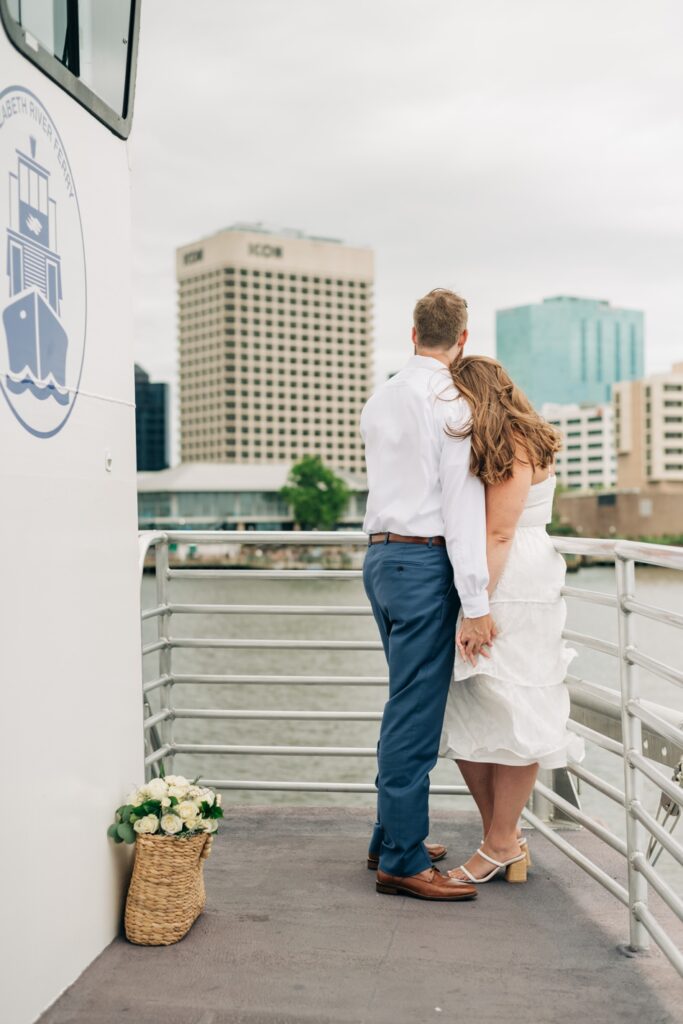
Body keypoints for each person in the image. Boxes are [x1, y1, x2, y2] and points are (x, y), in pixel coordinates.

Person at [360, 288, 494, 902]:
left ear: (413, 333)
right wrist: (478, 603)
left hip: (381, 559)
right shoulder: (452, 403)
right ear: (461, 341)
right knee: (415, 714)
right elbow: (462, 512)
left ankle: (391, 835)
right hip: (422, 563)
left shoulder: (381, 395)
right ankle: (403, 860)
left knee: (402, 702)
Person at [439, 356, 585, 884]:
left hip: (509, 581)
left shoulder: (514, 445)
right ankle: (503, 839)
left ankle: (500, 841)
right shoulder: (514, 437)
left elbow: (499, 534)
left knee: (516, 699)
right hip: (504, 572)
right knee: (471, 703)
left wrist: (477, 609)